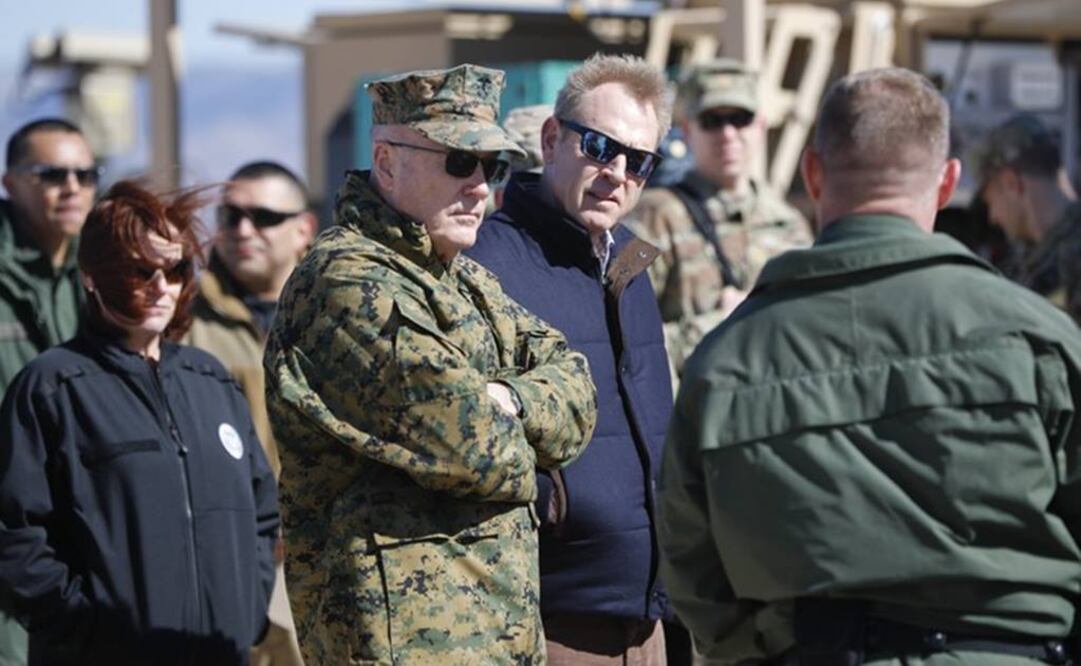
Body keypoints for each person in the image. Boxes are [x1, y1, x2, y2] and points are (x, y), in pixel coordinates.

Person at [658, 66, 1081, 665]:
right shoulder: (1041, 338)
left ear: (812, 174)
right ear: (947, 182)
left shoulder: (726, 359)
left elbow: (694, 571)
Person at [263, 64, 597, 665]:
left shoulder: (464, 279)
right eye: (457, 162)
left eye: (491, 167)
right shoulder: (347, 284)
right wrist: (519, 430)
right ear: (387, 162)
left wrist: (510, 401)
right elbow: (477, 451)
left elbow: (577, 387)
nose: (479, 187)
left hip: (498, 640)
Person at [0, 180, 279, 665]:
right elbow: (14, 535)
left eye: (174, 269)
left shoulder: (210, 380)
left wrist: (248, 611)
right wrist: (88, 631)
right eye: (139, 270)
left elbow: (261, 512)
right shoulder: (53, 386)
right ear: (91, 276)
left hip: (220, 653)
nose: (160, 287)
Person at [468, 53, 674, 665]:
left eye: (639, 162)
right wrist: (553, 506)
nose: (618, 173)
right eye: (600, 146)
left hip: (647, 621)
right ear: (552, 139)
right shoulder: (486, 264)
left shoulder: (631, 267)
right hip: (549, 624)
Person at [185, 161, 315, 666]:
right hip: (224, 558)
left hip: (321, 557)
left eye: (263, 217)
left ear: (303, 228)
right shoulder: (182, 317)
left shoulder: (337, 311)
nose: (243, 230)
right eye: (231, 216)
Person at [626, 59, 812, 380]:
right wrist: (713, 326)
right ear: (687, 130)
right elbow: (623, 341)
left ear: (761, 125)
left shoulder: (789, 224)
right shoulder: (656, 216)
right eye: (712, 121)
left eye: (740, 119)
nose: (728, 134)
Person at [0, 118, 99, 666]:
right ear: (10, 182)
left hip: (79, 527)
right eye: (51, 174)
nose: (72, 188)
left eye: (86, 174)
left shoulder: (106, 272)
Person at [975, 113, 1081, 321]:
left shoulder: (1072, 255)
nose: (993, 217)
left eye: (990, 202)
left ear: (1012, 183)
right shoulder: (1031, 255)